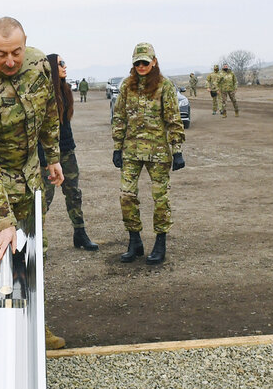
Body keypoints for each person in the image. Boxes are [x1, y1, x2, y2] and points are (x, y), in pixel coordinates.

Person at [0, 16, 67, 349]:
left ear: (25, 45)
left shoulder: (38, 65)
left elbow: (50, 110)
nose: (9, 61)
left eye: (15, 53)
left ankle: (35, 325)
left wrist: (52, 156)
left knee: (35, 252)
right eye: (1, 54)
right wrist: (3, 221)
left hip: (30, 172)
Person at [111, 42, 185, 265]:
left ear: (154, 62)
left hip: (158, 153)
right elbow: (119, 118)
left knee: (160, 199)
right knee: (126, 196)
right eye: (137, 63)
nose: (141, 66)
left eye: (145, 62)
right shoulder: (126, 86)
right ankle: (135, 241)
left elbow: (174, 119)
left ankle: (160, 243)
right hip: (131, 151)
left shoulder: (164, 86)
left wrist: (177, 150)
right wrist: (117, 148)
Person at [39, 54, 98, 251]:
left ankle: (80, 233)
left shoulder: (65, 91)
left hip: (67, 151)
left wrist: (69, 147)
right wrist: (44, 157)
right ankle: (38, 245)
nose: (65, 66)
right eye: (61, 64)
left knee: (73, 193)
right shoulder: (43, 94)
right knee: (43, 200)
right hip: (47, 155)